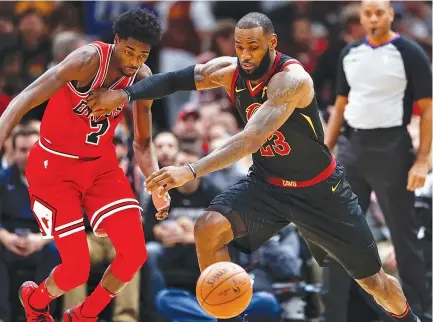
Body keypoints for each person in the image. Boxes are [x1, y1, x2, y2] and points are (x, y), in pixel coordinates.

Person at [89, 11, 421, 322]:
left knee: (374, 282)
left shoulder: (291, 81)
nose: (245, 55)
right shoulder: (228, 71)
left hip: (321, 192)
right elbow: (172, 81)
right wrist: (125, 95)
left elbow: (250, 140)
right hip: (268, 186)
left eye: (253, 46)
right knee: (207, 227)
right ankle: (229, 315)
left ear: (272, 43)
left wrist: (190, 170)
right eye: (239, 46)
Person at [0, 8, 170, 321]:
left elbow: (143, 144)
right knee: (76, 269)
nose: (133, 60)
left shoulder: (143, 79)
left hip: (101, 166)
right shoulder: (87, 60)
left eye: (142, 55)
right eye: (129, 51)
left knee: (135, 254)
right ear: (116, 40)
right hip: (55, 166)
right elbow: (24, 99)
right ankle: (35, 301)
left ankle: (83, 316)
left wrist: (157, 184)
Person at [324, 1, 432, 321]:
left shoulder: (410, 52)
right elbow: (339, 107)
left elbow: (427, 110)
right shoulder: (350, 53)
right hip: (351, 146)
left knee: (405, 238)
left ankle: (417, 316)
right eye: (366, 13)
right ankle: (331, 315)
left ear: (390, 16)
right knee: (337, 234)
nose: (372, 18)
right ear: (360, 18)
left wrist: (422, 160)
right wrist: (324, 151)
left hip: (393, 149)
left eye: (378, 12)